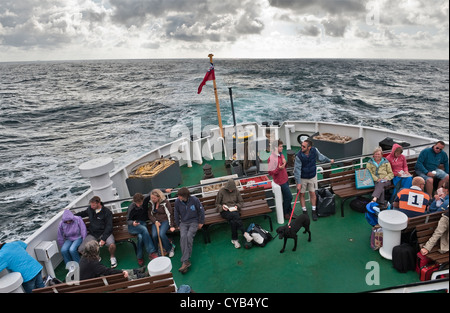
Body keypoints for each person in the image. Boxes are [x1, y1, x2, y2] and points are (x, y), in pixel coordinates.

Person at [293, 139, 334, 221]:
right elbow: (297, 170)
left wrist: (329, 160)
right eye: (301, 145)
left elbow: (321, 157)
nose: (301, 147)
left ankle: (314, 211)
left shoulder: (314, 151)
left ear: (309, 147)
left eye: (304, 146)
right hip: (302, 178)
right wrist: (298, 183)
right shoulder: (299, 156)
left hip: (312, 176)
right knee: (302, 194)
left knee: (313, 193)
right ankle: (304, 211)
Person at [76, 196, 117, 268]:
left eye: (93, 205)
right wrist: (71, 216)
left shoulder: (107, 212)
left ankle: (112, 257)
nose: (91, 207)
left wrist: (104, 239)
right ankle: (96, 257)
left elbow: (109, 226)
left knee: (112, 245)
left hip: (104, 233)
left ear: (98, 203)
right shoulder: (90, 209)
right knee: (81, 249)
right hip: (93, 234)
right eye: (91, 205)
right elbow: (82, 213)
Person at [173, 187, 205, 274]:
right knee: (183, 237)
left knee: (189, 236)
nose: (178, 198)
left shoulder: (194, 200)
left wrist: (201, 222)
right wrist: (178, 224)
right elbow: (176, 213)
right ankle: (186, 261)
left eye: (180, 196)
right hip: (183, 223)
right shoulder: (177, 202)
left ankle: (185, 261)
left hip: (194, 221)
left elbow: (201, 211)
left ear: (185, 196)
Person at [215, 178, 253, 248]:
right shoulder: (221, 191)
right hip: (225, 211)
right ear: (227, 187)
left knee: (233, 221)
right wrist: (222, 207)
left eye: (232, 189)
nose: (231, 190)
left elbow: (241, 202)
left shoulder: (236, 191)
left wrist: (237, 206)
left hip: (234, 210)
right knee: (235, 216)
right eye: (230, 189)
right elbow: (217, 204)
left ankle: (235, 239)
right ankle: (244, 233)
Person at [127, 193, 158, 265]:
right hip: (133, 226)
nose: (139, 205)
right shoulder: (131, 207)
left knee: (140, 237)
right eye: (137, 203)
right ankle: (151, 252)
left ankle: (139, 257)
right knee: (144, 229)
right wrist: (133, 223)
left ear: (143, 200)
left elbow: (153, 192)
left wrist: (165, 190)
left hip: (142, 223)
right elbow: (128, 220)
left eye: (140, 203)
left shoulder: (145, 198)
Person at [146, 189, 175, 257]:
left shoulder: (165, 202)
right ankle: (157, 250)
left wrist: (171, 226)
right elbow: (150, 215)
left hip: (165, 220)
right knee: (154, 235)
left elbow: (169, 214)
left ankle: (170, 248)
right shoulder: (151, 203)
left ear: (159, 197)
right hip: (155, 221)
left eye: (154, 198)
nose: (153, 199)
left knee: (161, 234)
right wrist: (155, 221)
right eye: (152, 198)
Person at [268, 139, 293, 220]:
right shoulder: (271, 158)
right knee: (289, 197)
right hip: (280, 181)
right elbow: (270, 172)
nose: (282, 148)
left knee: (287, 197)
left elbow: (284, 167)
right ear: (275, 147)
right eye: (280, 146)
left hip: (285, 179)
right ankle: (285, 212)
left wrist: (284, 164)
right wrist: (279, 169)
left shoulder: (281, 154)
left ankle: (289, 211)